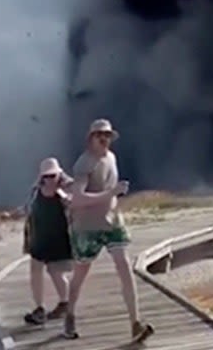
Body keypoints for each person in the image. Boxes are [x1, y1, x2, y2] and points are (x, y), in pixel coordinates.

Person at [61, 119, 153, 342]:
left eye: (107, 134)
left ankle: (135, 322)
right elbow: (78, 199)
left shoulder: (111, 157)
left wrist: (113, 196)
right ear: (90, 138)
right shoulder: (84, 164)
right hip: (87, 227)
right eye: (99, 134)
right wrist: (112, 193)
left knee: (124, 267)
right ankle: (70, 314)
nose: (104, 138)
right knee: (81, 274)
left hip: (112, 221)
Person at [2, 157, 73, 326]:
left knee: (56, 272)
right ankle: (39, 308)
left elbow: (77, 204)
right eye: (46, 176)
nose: (49, 179)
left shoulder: (66, 191)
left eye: (53, 175)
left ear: (59, 175)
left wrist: (65, 197)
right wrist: (11, 215)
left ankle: (65, 302)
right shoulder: (36, 192)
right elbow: (27, 208)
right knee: (35, 271)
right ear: (41, 177)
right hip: (39, 238)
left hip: (59, 239)